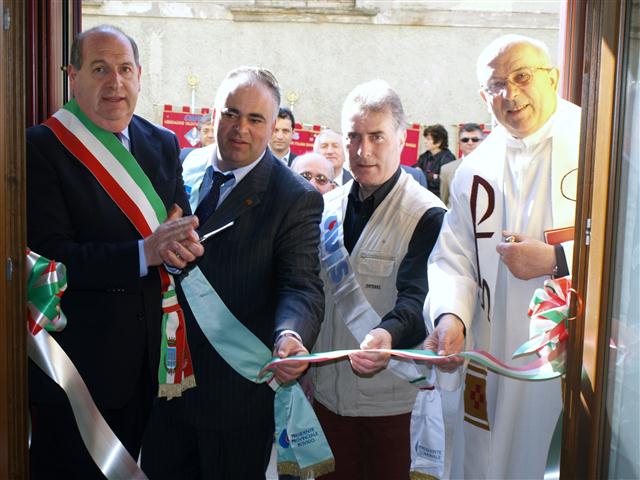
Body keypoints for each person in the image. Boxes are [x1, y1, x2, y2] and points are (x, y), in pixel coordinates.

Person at [26, 25, 204, 478]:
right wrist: (144, 253)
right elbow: (52, 259)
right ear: (73, 76)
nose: (115, 83)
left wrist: (183, 243)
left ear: (139, 75)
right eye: (100, 69)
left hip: (151, 363)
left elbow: (176, 221)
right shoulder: (42, 147)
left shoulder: (162, 143)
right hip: (78, 370)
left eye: (125, 69)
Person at [142, 67, 326, 479]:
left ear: (274, 127)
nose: (240, 128)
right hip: (164, 388)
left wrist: (291, 335)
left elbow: (300, 286)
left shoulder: (294, 197)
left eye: (255, 119)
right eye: (231, 113)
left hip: (235, 397)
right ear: (214, 116)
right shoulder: (182, 166)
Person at [426, 34, 580, 479]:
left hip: (571, 355)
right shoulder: (474, 170)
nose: (510, 94)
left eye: (523, 77)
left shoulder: (598, 145)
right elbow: (453, 258)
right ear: (483, 96)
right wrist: (451, 317)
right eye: (496, 85)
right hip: (494, 351)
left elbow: (629, 245)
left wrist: (556, 259)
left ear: (552, 78)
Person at [311, 79, 446, 480]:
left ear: (402, 138)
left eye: (376, 137)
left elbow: (418, 301)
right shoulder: (325, 207)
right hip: (327, 400)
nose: (362, 151)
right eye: (353, 136)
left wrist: (387, 334)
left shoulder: (427, 215)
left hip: (391, 406)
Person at [440, 123, 485, 206]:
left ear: (482, 142)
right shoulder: (447, 169)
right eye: (465, 140)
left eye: (475, 139)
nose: (470, 143)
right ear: (459, 143)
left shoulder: (495, 168)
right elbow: (444, 200)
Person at [414, 124, 456, 198]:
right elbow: (415, 171)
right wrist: (431, 176)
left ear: (438, 142)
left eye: (428, 139)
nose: (425, 142)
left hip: (438, 198)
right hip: (422, 195)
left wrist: (423, 174)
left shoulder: (447, 158)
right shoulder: (424, 156)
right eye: (425, 138)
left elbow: (443, 182)